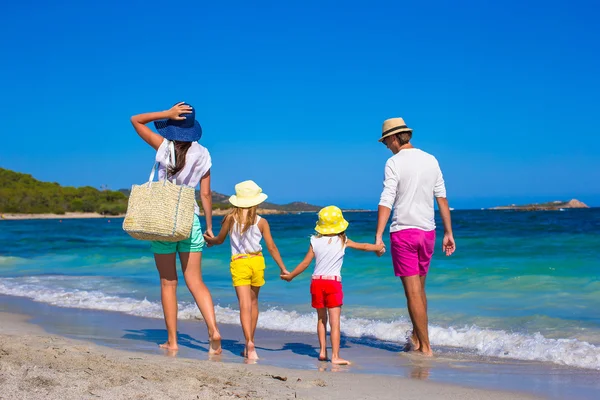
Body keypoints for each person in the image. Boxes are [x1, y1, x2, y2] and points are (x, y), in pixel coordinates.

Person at [130, 102, 222, 355]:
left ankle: (172, 341)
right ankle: (213, 330)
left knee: (168, 283)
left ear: (173, 126)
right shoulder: (203, 154)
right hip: (189, 220)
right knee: (196, 281)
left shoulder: (164, 146)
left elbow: (135, 119)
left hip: (163, 220)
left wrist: (165, 114)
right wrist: (210, 227)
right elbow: (206, 194)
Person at [375, 117, 455, 357]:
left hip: (404, 233)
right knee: (420, 291)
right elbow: (441, 198)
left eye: (385, 141)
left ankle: (426, 348)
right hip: (428, 233)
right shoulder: (431, 159)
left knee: (412, 294)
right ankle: (417, 339)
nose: (386, 146)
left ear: (393, 137)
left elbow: (387, 198)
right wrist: (448, 232)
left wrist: (378, 234)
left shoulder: (393, 162)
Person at [280, 206, 384, 365]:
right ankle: (335, 356)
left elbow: (305, 263)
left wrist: (291, 276)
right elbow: (363, 246)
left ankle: (322, 351)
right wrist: (379, 247)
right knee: (335, 322)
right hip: (333, 283)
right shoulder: (343, 240)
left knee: (321, 319)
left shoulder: (314, 241)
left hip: (316, 282)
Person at [204, 180, 289, 360]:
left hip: (240, 262)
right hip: (258, 262)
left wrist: (209, 241)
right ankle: (251, 343)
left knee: (244, 305)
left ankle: (248, 341)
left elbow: (219, 240)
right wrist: (283, 268)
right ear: (256, 201)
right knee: (254, 303)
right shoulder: (262, 222)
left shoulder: (230, 219)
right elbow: (272, 247)